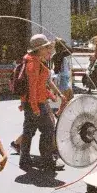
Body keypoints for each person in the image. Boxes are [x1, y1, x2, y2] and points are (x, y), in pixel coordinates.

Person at [19, 34, 64, 172]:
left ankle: (24, 160)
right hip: (36, 104)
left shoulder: (34, 61)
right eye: (45, 47)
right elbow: (32, 88)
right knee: (48, 130)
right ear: (38, 49)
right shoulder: (33, 63)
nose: (48, 50)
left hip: (34, 102)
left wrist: (50, 95)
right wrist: (35, 107)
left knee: (29, 132)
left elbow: (40, 86)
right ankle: (47, 161)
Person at [52, 38, 74, 115]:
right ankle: (59, 113)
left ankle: (66, 112)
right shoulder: (59, 55)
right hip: (62, 78)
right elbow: (71, 51)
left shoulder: (58, 54)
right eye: (63, 45)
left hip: (65, 78)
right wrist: (64, 45)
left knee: (70, 97)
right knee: (66, 98)